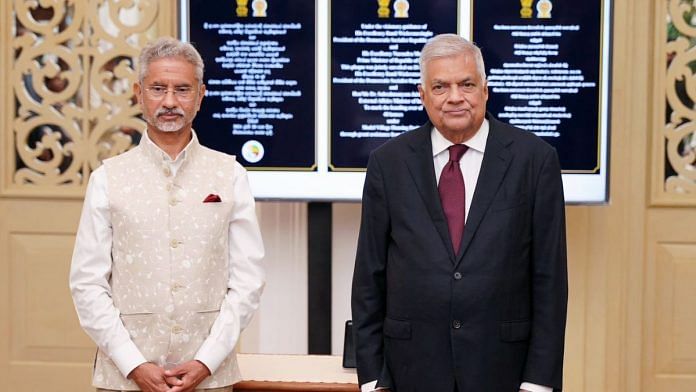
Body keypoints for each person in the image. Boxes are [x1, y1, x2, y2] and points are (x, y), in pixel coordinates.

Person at [351, 34, 568, 392]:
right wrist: (373, 378)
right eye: (440, 86)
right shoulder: (387, 164)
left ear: (485, 90)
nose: (455, 97)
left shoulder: (535, 161)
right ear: (423, 95)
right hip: (410, 372)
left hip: (503, 371)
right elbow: (368, 279)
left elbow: (550, 281)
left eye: (466, 84)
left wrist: (538, 382)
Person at [70, 37, 265, 392]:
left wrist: (207, 360)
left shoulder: (230, 173)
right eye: (158, 89)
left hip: (210, 378)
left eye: (182, 89)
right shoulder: (108, 178)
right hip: (124, 380)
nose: (170, 102)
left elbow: (248, 280)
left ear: (201, 95)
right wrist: (134, 364)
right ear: (138, 93)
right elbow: (87, 284)